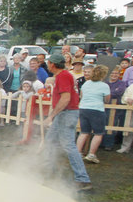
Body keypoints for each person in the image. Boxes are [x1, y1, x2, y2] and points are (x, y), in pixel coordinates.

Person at [42, 54, 92, 191]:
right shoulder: (64, 75)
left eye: (48, 63)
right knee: (50, 140)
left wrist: (51, 116)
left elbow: (65, 99)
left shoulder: (63, 76)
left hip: (67, 113)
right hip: (65, 113)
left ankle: (83, 179)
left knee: (68, 145)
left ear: (53, 64)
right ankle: (48, 171)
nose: (47, 65)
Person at [76, 65, 110, 164]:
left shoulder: (86, 84)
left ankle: (78, 153)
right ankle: (91, 154)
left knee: (84, 132)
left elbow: (81, 95)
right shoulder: (104, 86)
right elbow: (107, 100)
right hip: (97, 110)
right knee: (98, 133)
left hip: (83, 108)